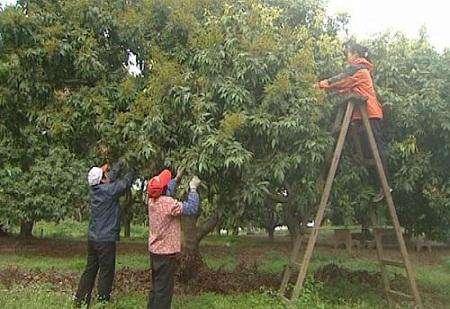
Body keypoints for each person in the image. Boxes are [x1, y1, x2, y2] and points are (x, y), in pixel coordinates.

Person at [316, 41, 390, 203]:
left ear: (355, 54)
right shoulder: (357, 70)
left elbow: (342, 80)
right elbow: (345, 86)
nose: (347, 57)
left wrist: (322, 85)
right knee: (366, 154)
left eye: (348, 54)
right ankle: (380, 187)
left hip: (370, 114)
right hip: (361, 117)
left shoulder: (359, 69)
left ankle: (384, 186)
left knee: (376, 151)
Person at [74, 158, 135, 307]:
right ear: (102, 180)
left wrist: (119, 165)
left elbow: (110, 179)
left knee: (90, 269)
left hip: (93, 238)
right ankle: (102, 302)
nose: (107, 174)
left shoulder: (96, 190)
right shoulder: (109, 191)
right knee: (106, 272)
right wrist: (133, 169)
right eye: (104, 174)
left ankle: (80, 301)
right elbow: (124, 184)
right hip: (105, 240)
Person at [147, 168, 201, 309]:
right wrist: (193, 189)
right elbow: (191, 208)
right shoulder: (168, 204)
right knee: (164, 293)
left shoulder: (152, 201)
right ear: (164, 189)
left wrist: (176, 178)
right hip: (166, 255)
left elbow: (167, 191)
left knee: (156, 288)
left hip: (155, 252)